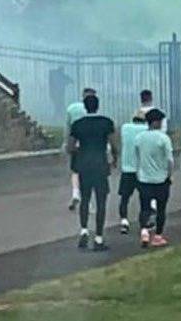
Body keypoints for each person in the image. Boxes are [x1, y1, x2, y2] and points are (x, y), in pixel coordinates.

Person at [69, 94, 117, 251]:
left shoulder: (78, 124)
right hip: (100, 164)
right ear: (98, 105)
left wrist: (80, 150)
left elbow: (70, 147)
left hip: (84, 164)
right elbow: (114, 144)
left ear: (85, 107)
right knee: (101, 201)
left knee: (85, 198)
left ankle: (83, 230)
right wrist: (114, 159)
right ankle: (99, 237)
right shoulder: (106, 123)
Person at [135, 108, 174, 248]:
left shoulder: (139, 137)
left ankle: (144, 231)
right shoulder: (164, 138)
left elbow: (137, 157)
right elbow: (170, 160)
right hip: (160, 179)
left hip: (144, 179)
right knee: (161, 209)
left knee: (144, 207)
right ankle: (158, 235)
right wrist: (169, 175)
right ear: (157, 122)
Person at [65, 87, 96, 211]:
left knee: (75, 171)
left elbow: (68, 128)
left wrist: (66, 143)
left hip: (75, 144)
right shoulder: (92, 111)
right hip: (88, 146)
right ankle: (87, 203)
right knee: (89, 174)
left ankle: (75, 193)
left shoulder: (72, 108)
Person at [118, 109, 147, 234]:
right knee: (144, 198)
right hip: (142, 170)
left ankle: (124, 220)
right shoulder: (146, 130)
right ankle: (144, 223)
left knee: (124, 198)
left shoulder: (125, 128)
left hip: (127, 169)